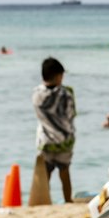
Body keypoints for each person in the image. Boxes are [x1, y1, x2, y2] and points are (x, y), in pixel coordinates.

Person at [32, 56, 77, 205]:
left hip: (45, 139)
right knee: (64, 172)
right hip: (64, 139)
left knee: (46, 173)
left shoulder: (37, 94)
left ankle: (45, 200)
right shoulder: (66, 94)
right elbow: (71, 114)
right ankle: (67, 200)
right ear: (58, 75)